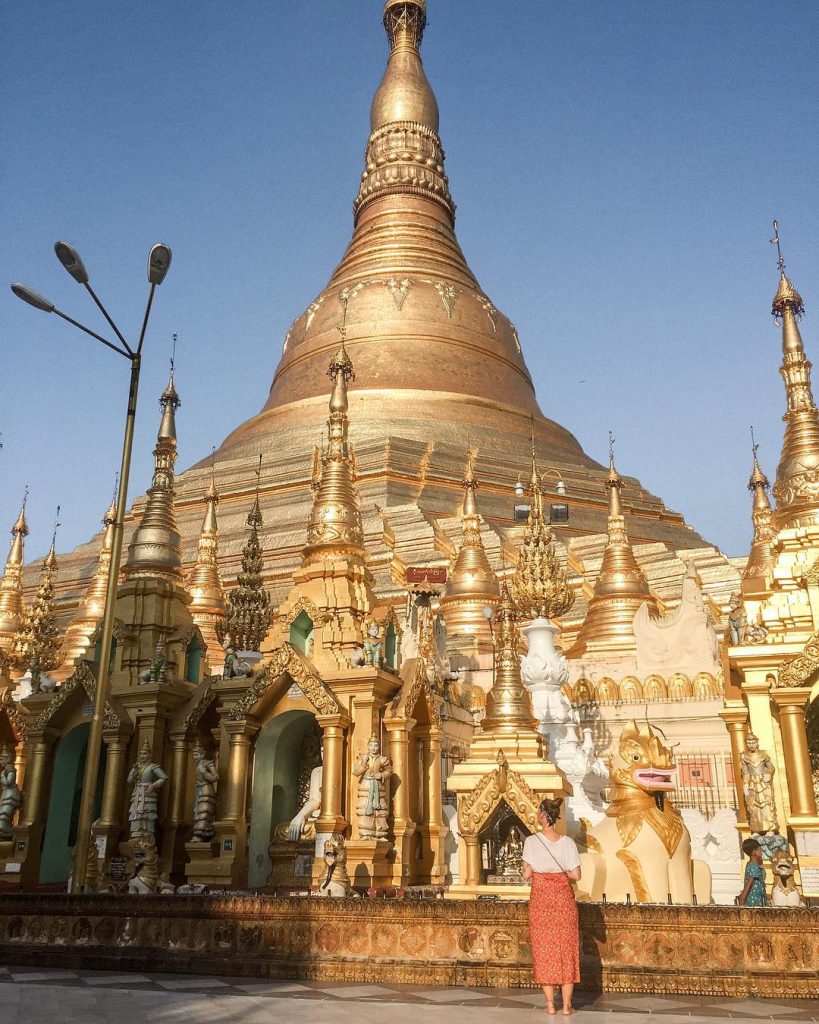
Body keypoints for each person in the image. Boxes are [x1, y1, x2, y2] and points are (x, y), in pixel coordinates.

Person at [522, 797, 581, 1016]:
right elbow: (576, 875)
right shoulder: (568, 843)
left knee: (544, 950)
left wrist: (535, 869)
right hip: (564, 901)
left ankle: (550, 1004)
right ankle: (566, 1006)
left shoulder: (531, 842)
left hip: (541, 902)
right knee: (567, 951)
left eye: (538, 812)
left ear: (542, 816)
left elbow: (526, 874)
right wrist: (560, 872)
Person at [738, 837, 767, 907]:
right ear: (754, 852)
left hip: (759, 899)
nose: (761, 851)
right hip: (754, 901)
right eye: (759, 849)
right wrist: (742, 897)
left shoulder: (751, 864)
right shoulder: (753, 866)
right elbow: (749, 883)